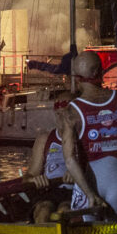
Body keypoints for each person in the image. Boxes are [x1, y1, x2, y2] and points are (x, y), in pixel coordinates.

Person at [58, 51, 117, 221]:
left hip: (88, 187)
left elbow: (70, 160)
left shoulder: (72, 111)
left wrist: (90, 194)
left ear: (77, 78)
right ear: (100, 72)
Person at [23, 91, 73, 224]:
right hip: (48, 192)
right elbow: (28, 177)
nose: (61, 115)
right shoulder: (44, 139)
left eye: (66, 112)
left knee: (65, 210)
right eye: (58, 112)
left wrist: (79, 175)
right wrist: (34, 179)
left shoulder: (84, 138)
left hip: (74, 191)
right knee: (44, 211)